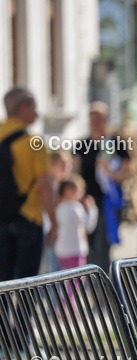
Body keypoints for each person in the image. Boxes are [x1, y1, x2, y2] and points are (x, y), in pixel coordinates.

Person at [0, 87, 58, 282]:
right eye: (34, 106)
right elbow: (45, 187)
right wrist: (54, 223)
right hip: (28, 219)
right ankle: (22, 315)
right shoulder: (34, 142)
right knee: (28, 284)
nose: (37, 112)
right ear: (22, 107)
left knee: (3, 284)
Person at [74, 102, 130, 273]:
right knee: (86, 246)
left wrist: (109, 172)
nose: (95, 123)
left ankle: (102, 290)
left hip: (108, 201)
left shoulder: (116, 143)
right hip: (87, 201)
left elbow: (126, 173)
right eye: (92, 119)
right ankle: (91, 286)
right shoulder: (82, 145)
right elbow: (75, 172)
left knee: (102, 247)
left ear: (106, 120)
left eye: (99, 119)